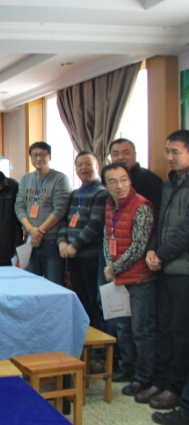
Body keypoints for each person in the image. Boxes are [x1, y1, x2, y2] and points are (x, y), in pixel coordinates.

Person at [136, 130, 189, 410]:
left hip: (184, 271)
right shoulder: (170, 182)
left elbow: (185, 232)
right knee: (163, 329)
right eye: (167, 151)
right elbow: (161, 221)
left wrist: (161, 253)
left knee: (180, 333)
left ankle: (174, 388)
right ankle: (160, 381)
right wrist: (152, 249)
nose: (169, 157)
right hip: (165, 266)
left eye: (175, 152)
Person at [100, 162, 156, 398]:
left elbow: (139, 247)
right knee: (122, 328)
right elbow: (107, 237)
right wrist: (109, 265)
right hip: (117, 277)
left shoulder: (141, 205)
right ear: (105, 185)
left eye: (123, 180)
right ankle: (128, 369)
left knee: (141, 331)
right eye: (112, 181)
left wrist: (113, 269)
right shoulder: (109, 204)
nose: (119, 186)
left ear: (130, 181)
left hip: (140, 279)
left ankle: (144, 378)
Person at [57, 151, 109, 325]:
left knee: (94, 300)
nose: (83, 168)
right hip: (72, 256)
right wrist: (62, 242)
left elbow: (95, 224)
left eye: (88, 164)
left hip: (91, 256)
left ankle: (97, 338)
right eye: (79, 165)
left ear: (97, 167)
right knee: (80, 299)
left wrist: (74, 246)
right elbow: (64, 220)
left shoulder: (102, 193)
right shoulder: (74, 194)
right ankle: (84, 335)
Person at [15, 142, 70, 285]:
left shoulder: (60, 178)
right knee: (31, 285)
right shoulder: (25, 179)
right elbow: (19, 206)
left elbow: (60, 209)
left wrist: (39, 232)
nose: (38, 158)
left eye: (42, 154)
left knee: (54, 285)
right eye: (34, 155)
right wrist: (31, 230)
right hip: (29, 240)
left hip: (51, 242)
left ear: (49, 156)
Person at [109, 138, 163, 214]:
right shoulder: (109, 179)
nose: (121, 157)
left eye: (126, 153)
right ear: (111, 157)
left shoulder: (149, 179)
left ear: (135, 154)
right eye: (116, 154)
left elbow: (155, 212)